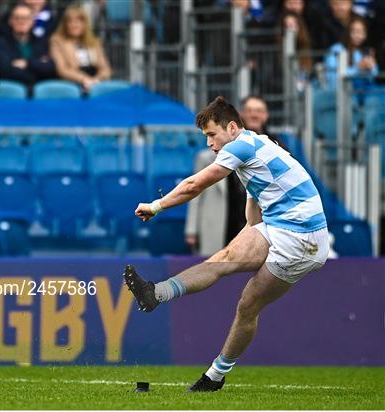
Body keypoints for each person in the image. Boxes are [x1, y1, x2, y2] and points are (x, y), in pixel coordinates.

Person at [125, 96, 329, 392]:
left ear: (232, 128)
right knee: (221, 260)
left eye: (212, 134)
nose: (209, 143)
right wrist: (245, 239)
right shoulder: (253, 146)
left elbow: (195, 185)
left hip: (303, 238)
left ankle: (215, 376)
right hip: (279, 226)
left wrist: (156, 205)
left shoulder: (241, 146)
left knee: (248, 304)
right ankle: (156, 293)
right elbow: (254, 213)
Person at [185, 95, 273, 256]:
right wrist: (192, 229)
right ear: (240, 115)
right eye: (250, 110)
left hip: (257, 225)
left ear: (266, 115)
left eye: (259, 111)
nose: (254, 115)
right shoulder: (207, 157)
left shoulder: (276, 147)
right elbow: (195, 190)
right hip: (221, 222)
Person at [49, 3, 111, 92]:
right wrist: (84, 79)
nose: (74, 25)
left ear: (85, 23)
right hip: (73, 81)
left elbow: (105, 68)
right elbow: (62, 70)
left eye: (78, 21)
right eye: (70, 21)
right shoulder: (57, 41)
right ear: (65, 24)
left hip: (96, 80)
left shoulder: (95, 42)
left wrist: (96, 80)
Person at [0, 3, 56, 88]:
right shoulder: (0, 43)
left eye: (26, 18)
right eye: (17, 18)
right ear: (10, 21)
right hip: (12, 93)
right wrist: (37, 70)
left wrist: (27, 64)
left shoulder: (41, 42)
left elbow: (50, 68)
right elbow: (3, 70)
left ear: (32, 21)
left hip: (37, 96)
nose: (21, 21)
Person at [324, 15, 378, 89]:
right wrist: (358, 68)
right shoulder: (339, 50)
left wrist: (371, 67)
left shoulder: (364, 52)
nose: (358, 35)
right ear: (347, 32)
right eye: (354, 31)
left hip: (363, 92)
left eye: (362, 32)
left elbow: (372, 79)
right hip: (342, 94)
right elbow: (335, 79)